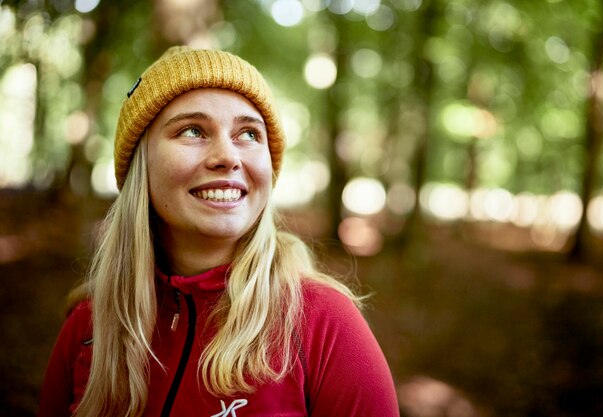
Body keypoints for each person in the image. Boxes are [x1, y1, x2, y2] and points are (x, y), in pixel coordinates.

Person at [38, 46, 399, 417]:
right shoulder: (89, 326)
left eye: (248, 134)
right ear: (140, 163)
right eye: (193, 131)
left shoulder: (324, 325)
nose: (227, 156)